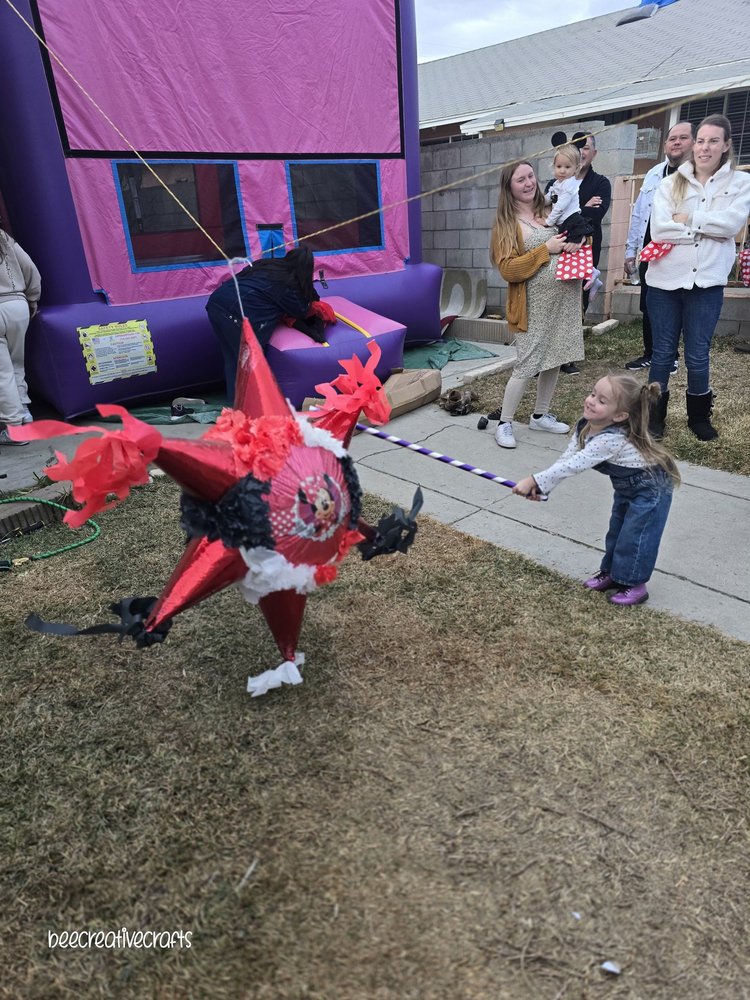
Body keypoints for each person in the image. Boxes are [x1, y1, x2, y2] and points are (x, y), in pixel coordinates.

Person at [513, 373, 680, 606]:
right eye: (593, 394)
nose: (591, 401)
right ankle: (612, 573)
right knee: (617, 531)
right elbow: (567, 459)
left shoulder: (610, 440)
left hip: (651, 490)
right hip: (627, 487)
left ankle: (634, 584)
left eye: (602, 401)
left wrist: (534, 480)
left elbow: (573, 466)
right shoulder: (586, 425)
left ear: (619, 416)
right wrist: (543, 487)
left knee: (636, 536)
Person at [647, 114, 750, 440]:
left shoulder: (741, 184)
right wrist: (707, 228)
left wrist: (688, 217)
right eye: (701, 141)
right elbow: (659, 229)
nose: (705, 148)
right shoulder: (669, 184)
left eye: (713, 141)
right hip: (664, 282)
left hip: (706, 284)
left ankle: (699, 417)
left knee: (697, 353)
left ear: (726, 145)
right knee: (662, 353)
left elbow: (731, 226)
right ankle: (653, 416)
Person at [486, 160, 584, 449]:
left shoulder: (552, 209)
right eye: (520, 180)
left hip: (564, 298)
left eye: (530, 176)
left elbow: (577, 230)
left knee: (556, 354)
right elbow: (508, 270)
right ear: (509, 188)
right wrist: (545, 250)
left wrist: (578, 240)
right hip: (532, 306)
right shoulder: (506, 225)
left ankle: (540, 415)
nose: (529, 183)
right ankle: (504, 422)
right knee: (527, 363)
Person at [206, 246, 322, 401]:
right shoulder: (287, 283)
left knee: (232, 359)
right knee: (247, 363)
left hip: (216, 303)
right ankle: (246, 405)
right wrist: (312, 300)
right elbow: (300, 310)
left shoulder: (267, 264)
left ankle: (236, 403)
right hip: (237, 313)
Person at [624, 121, 695, 371]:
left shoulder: (698, 176)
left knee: (674, 304)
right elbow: (639, 213)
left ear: (693, 143)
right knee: (650, 303)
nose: (676, 142)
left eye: (683, 138)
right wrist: (631, 251)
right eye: (672, 138)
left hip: (679, 251)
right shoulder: (655, 173)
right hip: (650, 249)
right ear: (665, 145)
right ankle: (650, 353)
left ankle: (670, 355)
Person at [559, 130, 612, 375]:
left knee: (578, 300)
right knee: (557, 300)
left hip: (586, 249)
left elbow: (596, 214)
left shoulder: (600, 183)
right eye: (576, 147)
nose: (581, 152)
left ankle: (568, 356)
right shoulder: (556, 182)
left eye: (586, 147)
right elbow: (551, 214)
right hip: (559, 247)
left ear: (594, 153)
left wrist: (572, 209)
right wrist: (583, 205)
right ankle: (552, 353)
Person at [0, 226, 41, 447]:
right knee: (16, 364)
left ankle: (14, 429)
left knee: (2, 373)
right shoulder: (4, 237)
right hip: (17, 305)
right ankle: (24, 413)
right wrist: (32, 297)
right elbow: (30, 267)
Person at [544, 144, 593, 243]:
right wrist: (539, 201)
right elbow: (550, 197)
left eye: (567, 167)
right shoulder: (557, 183)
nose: (562, 171)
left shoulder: (569, 185)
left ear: (576, 168)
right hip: (564, 223)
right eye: (559, 166)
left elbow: (560, 207)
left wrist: (548, 222)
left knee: (572, 248)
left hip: (572, 223)